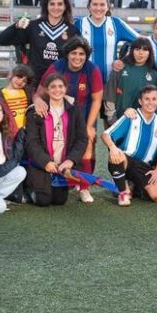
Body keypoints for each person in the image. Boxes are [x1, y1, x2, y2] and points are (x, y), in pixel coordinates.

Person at [35, 37, 104, 199]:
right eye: (74, 53)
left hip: (85, 116)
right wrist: (37, 100)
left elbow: (96, 100)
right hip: (61, 116)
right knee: (61, 146)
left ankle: (83, 187)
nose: (77, 57)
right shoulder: (57, 67)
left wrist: (90, 126)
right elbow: (40, 91)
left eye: (81, 54)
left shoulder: (92, 69)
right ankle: (62, 178)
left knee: (87, 145)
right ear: (67, 54)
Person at [23, 73, 89, 207]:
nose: (57, 90)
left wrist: (71, 160)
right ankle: (26, 188)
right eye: (52, 87)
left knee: (59, 201)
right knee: (43, 201)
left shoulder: (74, 110)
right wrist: (45, 161)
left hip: (61, 164)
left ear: (65, 89)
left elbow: (82, 139)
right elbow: (31, 141)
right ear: (47, 90)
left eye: (60, 86)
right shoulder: (36, 111)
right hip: (42, 163)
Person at [102, 85, 157, 206]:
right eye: (147, 99)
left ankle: (135, 186)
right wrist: (113, 148)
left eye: (154, 99)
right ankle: (123, 191)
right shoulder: (131, 117)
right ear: (140, 101)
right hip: (127, 161)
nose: (150, 102)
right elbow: (105, 135)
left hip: (144, 167)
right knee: (117, 154)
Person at [0, 0, 79, 83]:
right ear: (46, 6)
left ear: (65, 7)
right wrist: (16, 26)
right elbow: (1, 40)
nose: (56, 7)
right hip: (34, 83)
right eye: (52, 4)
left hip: (59, 85)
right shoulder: (33, 26)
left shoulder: (72, 30)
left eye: (60, 4)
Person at [75, 0, 139, 82]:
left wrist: (124, 60)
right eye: (95, 4)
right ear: (89, 6)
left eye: (102, 5)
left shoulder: (116, 23)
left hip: (110, 82)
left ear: (108, 7)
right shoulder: (79, 24)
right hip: (85, 80)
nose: (98, 8)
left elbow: (141, 41)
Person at [104, 38, 157, 122]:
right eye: (137, 49)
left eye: (145, 49)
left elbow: (155, 99)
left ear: (150, 53)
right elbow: (110, 94)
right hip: (119, 118)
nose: (141, 53)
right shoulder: (120, 67)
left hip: (143, 120)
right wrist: (111, 116)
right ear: (132, 51)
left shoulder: (153, 74)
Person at [0, 65, 34, 137]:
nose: (20, 81)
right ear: (11, 75)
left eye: (24, 81)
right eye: (19, 77)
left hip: (25, 134)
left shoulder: (28, 93)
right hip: (8, 134)